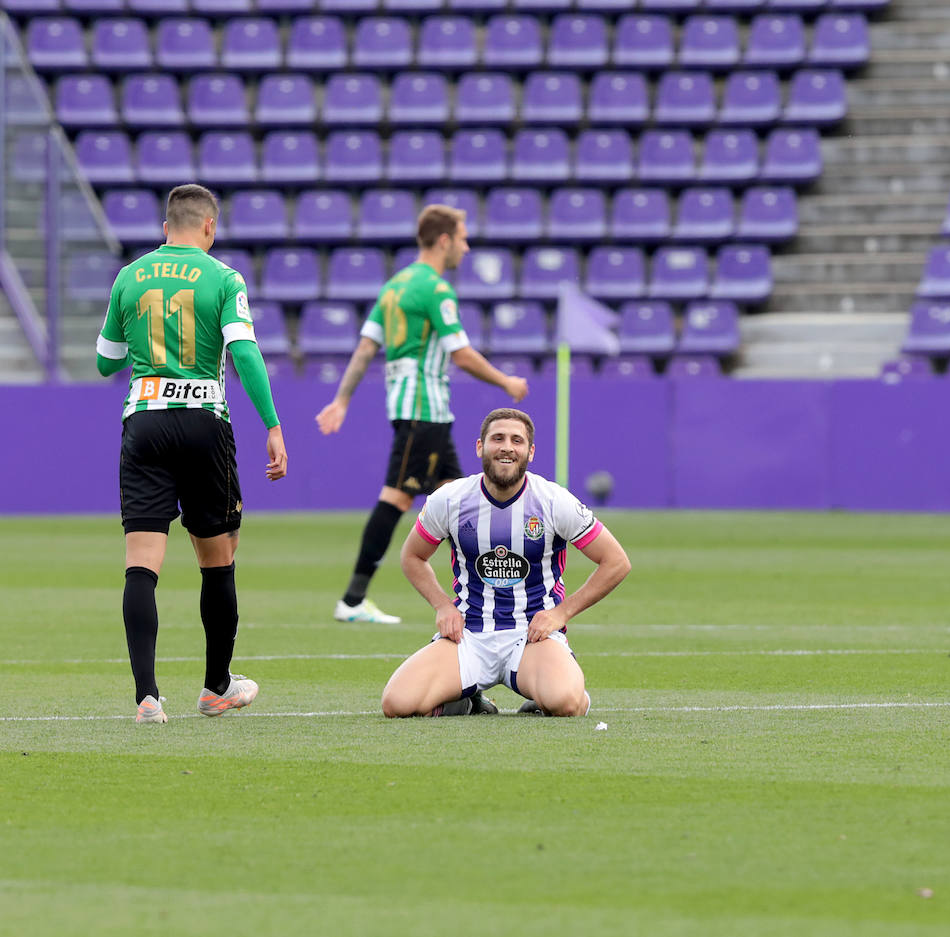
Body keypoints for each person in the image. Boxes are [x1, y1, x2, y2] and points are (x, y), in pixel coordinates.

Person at [96, 183, 288, 724]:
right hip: (206, 421)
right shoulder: (224, 278)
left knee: (141, 565)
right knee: (217, 559)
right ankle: (215, 687)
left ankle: (147, 699)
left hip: (146, 421)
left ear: (165, 227)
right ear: (210, 226)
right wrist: (272, 424)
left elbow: (105, 361)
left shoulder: (129, 276)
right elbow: (244, 351)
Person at [316, 205, 528, 625]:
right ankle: (354, 600)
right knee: (397, 496)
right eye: (463, 238)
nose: (466, 248)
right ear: (445, 239)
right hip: (423, 408)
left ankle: (483, 594)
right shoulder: (435, 289)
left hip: (414, 407)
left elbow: (364, 349)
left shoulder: (394, 287)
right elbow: (461, 354)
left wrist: (342, 399)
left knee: (461, 498)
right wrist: (505, 382)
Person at [379, 408, 631, 718]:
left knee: (567, 703)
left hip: (532, 638)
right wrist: (442, 606)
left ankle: (548, 692)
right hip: (468, 635)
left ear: (531, 451)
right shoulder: (450, 499)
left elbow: (616, 562)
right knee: (397, 704)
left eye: (517, 440)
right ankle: (467, 702)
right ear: (480, 447)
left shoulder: (553, 501)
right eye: (497, 439)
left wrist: (560, 613)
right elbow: (412, 556)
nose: (507, 447)